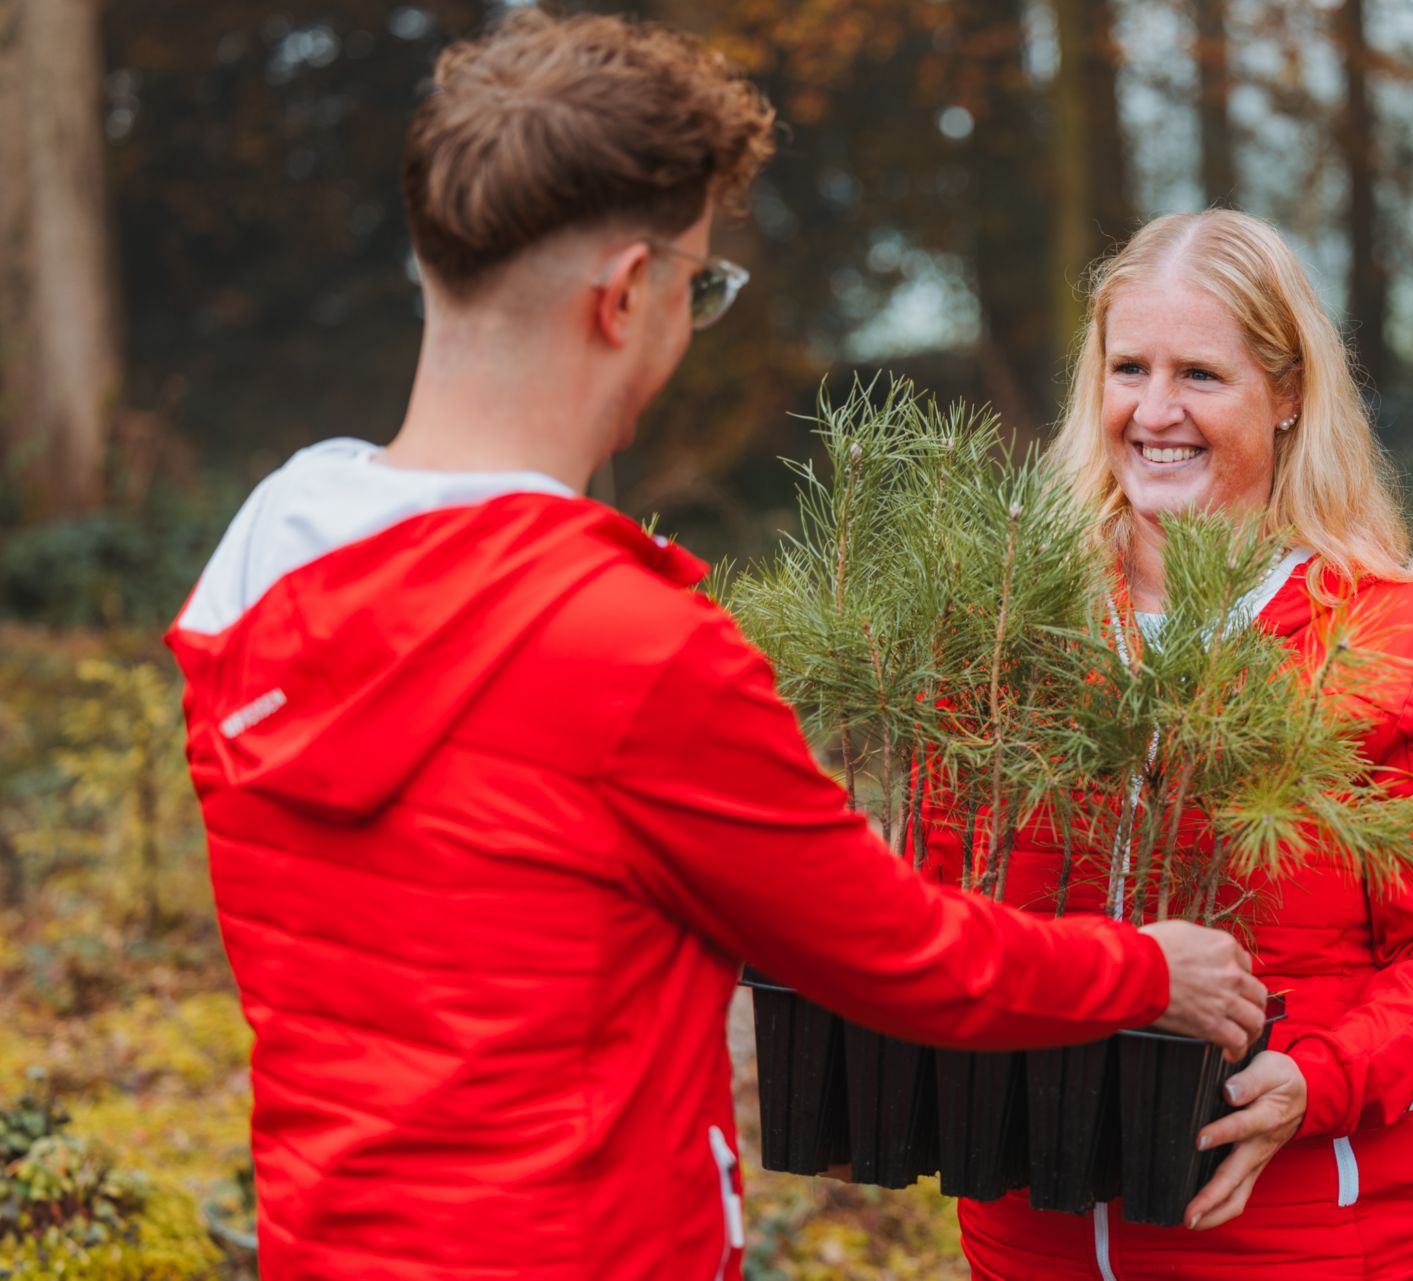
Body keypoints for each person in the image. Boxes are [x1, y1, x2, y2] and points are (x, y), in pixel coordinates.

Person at [163, 16, 1267, 1281]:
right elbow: (904, 955)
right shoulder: (626, 646)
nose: (695, 318)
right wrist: (1147, 969)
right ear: (626, 292)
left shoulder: (255, 570)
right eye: (703, 284)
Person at [932, 210, 1413, 1278]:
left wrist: (1319, 1078)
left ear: (1289, 392)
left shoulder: (1399, 639)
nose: (1155, 412)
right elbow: (934, 899)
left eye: (1201, 375)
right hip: (1034, 1230)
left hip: (1286, 1231)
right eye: (1129, 368)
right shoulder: (1008, 632)